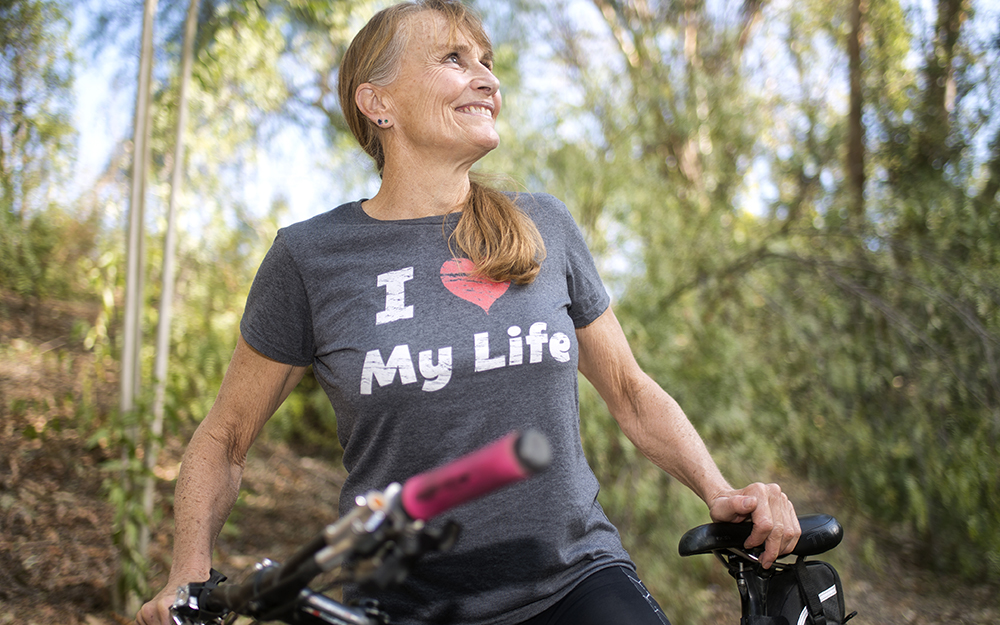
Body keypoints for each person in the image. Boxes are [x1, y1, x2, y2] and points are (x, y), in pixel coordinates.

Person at [136, 1, 800, 624]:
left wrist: (718, 489)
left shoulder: (544, 224)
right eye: (455, 59)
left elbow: (629, 390)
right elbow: (224, 436)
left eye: (487, 62)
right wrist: (187, 577)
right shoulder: (311, 258)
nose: (485, 78)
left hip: (574, 579)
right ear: (379, 102)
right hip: (400, 602)